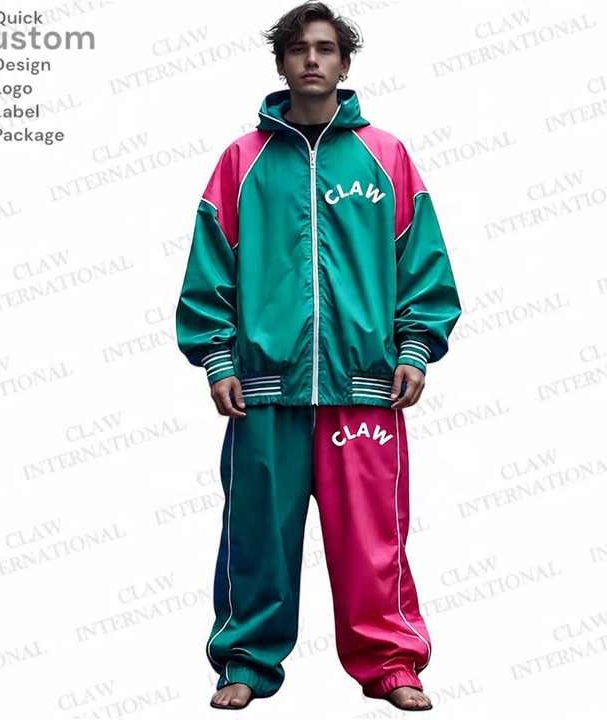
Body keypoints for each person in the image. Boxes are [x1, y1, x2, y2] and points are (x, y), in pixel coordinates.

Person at [175, 1, 461, 712]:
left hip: (364, 388)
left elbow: (421, 263)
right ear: (281, 63)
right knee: (256, 539)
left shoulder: (385, 157)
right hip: (264, 391)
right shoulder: (242, 162)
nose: (312, 59)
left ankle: (391, 663)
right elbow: (210, 268)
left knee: (372, 542)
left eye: (326, 48)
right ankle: (246, 661)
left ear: (345, 62)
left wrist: (416, 347)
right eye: (299, 48)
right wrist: (219, 360)